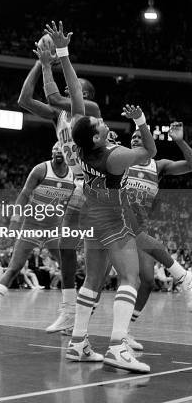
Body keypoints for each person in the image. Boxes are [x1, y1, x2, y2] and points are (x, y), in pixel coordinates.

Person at [45, 20, 156, 373]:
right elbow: (148, 153)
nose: (102, 121)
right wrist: (141, 123)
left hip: (92, 210)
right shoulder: (112, 155)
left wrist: (62, 55)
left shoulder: (81, 142)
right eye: (100, 125)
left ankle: (78, 343)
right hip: (111, 212)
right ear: (95, 138)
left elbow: (76, 96)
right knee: (130, 278)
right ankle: (118, 347)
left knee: (93, 280)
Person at [19, 51, 100, 334]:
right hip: (81, 185)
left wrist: (47, 62)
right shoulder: (59, 116)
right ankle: (69, 312)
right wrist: (37, 63)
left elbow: (55, 96)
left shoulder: (91, 109)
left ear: (84, 94)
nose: (68, 88)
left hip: (101, 184)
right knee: (67, 249)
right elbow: (24, 100)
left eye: (74, 87)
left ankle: (178, 275)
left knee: (107, 256)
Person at [0, 141, 75, 333]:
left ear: (68, 152)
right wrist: (14, 221)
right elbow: (24, 194)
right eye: (53, 148)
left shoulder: (73, 175)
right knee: (13, 269)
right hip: (32, 226)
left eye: (60, 148)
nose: (56, 150)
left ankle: (68, 318)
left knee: (69, 269)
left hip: (54, 229)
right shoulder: (40, 169)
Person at [123, 123, 192, 346]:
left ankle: (123, 331)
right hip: (118, 226)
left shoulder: (158, 166)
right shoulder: (121, 161)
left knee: (148, 282)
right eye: (131, 137)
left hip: (140, 230)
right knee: (112, 280)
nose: (134, 139)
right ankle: (184, 276)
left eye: (138, 136)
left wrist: (180, 141)